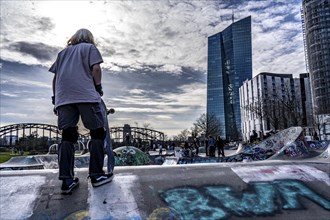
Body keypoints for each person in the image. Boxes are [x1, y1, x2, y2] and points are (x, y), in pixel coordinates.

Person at [50, 28, 113, 194]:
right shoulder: (89, 48)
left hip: (63, 98)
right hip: (86, 96)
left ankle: (67, 180)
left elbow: (55, 78)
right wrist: (98, 87)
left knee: (68, 136)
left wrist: (55, 98)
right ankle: (96, 175)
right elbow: (96, 69)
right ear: (89, 38)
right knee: (97, 132)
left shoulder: (62, 53)